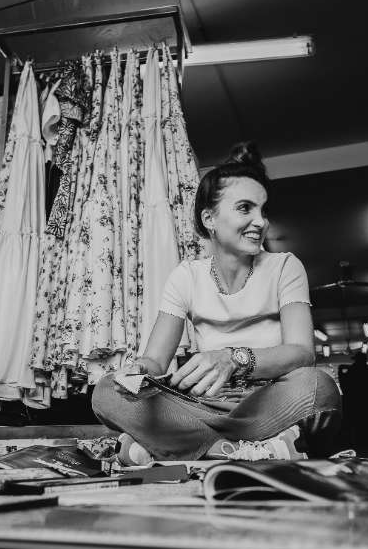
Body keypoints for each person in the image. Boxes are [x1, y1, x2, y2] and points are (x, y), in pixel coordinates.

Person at [92, 142, 341, 461]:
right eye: (245, 208)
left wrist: (234, 358)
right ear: (209, 218)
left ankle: (175, 447)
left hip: (266, 403)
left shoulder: (285, 266)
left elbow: (302, 353)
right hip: (201, 404)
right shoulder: (186, 276)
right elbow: (155, 361)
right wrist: (138, 369)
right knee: (107, 391)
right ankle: (248, 450)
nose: (260, 221)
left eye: (263, 211)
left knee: (320, 387)